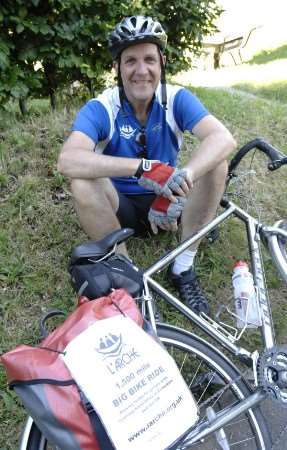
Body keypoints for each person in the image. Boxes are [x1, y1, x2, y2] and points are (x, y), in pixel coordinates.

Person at [57, 15, 236, 315]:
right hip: (121, 207)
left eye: (149, 59)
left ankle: (182, 267)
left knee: (218, 164)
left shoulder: (176, 97)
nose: (142, 71)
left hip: (169, 205)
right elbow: (68, 160)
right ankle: (126, 275)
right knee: (81, 181)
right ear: (117, 68)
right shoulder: (102, 107)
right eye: (130, 61)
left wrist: (181, 180)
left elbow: (223, 139)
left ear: (162, 63)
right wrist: (141, 167)